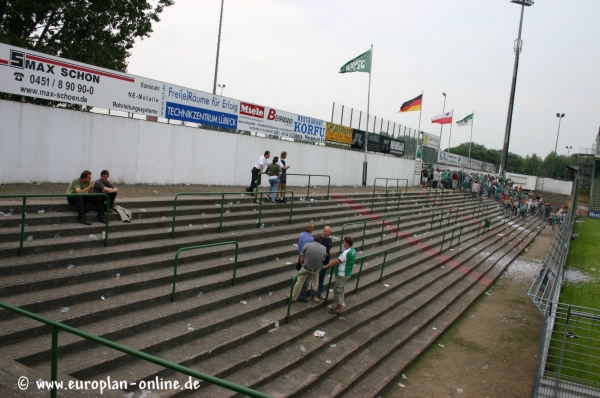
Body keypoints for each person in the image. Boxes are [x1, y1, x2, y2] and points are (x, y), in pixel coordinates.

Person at [323, 236, 356, 316]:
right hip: (345, 273)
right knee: (338, 290)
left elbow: (337, 261)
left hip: (342, 274)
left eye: (344, 241)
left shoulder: (346, 253)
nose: (343, 243)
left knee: (339, 291)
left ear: (347, 243)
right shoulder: (353, 250)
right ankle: (337, 305)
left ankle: (338, 309)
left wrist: (327, 266)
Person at [288, 234, 327, 303]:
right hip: (316, 269)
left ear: (314, 239)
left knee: (299, 282)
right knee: (316, 277)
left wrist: (302, 264)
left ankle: (293, 297)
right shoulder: (324, 248)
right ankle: (315, 287)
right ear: (321, 241)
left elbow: (302, 258)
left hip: (306, 267)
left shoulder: (307, 245)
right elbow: (322, 259)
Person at [296, 223, 314, 303]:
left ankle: (296, 291)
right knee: (306, 279)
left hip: (300, 255)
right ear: (312, 230)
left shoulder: (301, 234)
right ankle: (301, 295)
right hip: (305, 258)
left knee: (300, 275)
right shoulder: (311, 239)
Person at [317, 225, 334, 300]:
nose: (326, 233)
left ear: (330, 232)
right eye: (325, 231)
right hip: (319, 262)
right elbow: (317, 251)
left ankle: (319, 293)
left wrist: (331, 251)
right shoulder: (320, 239)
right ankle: (313, 294)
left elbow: (330, 247)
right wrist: (327, 254)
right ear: (323, 231)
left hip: (326, 262)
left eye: (328, 232)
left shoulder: (329, 239)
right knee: (316, 278)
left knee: (322, 279)